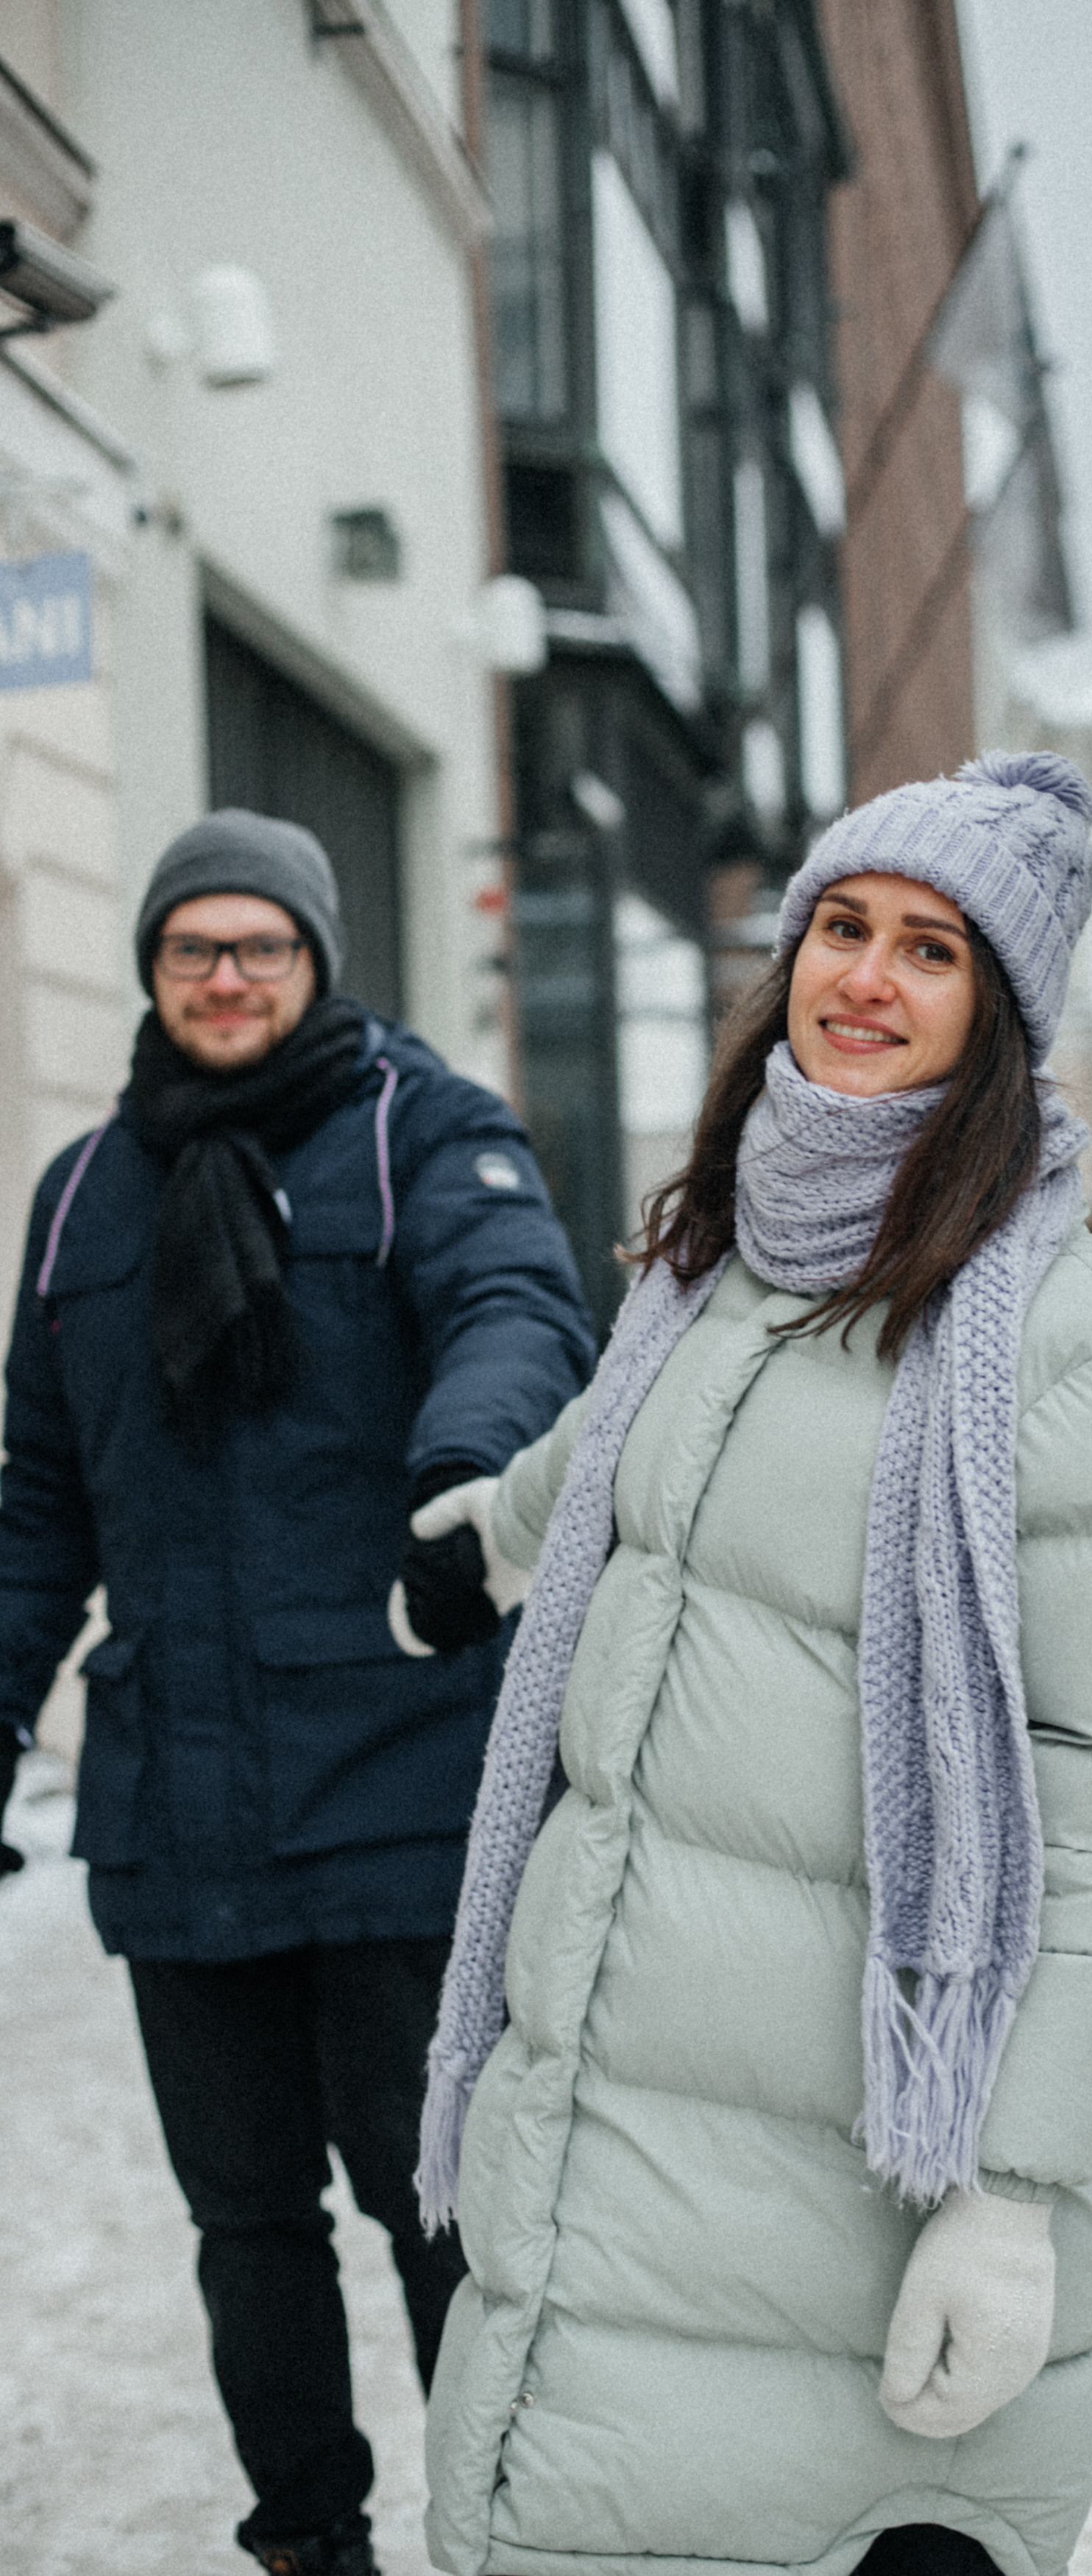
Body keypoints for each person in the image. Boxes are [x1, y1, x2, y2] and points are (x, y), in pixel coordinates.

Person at [403, 753, 1092, 2576]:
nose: (864, 977)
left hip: (854, 2205)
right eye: (840, 928)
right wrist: (484, 1541)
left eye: (931, 950)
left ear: (1000, 1017)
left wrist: (1008, 2200)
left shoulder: (1085, 1352)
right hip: (614, 2154)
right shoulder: (715, 1271)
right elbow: (609, 1464)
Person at [0, 812, 596, 2576]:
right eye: (195, 946)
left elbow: (517, 1315)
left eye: (261, 943)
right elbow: (38, 1501)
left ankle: (496, 2537)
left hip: (395, 1788)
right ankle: (308, 2547)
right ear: (155, 967)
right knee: (246, 2225)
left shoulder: (425, 1133)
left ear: (319, 957)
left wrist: (464, 1479)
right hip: (176, 1813)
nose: (228, 975)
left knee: (442, 2216)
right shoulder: (83, 1195)